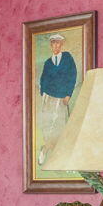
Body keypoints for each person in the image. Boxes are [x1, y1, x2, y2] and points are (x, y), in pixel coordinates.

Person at [37, 33, 79, 162]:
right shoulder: (48, 62)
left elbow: (72, 75)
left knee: (60, 123)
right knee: (48, 122)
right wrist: (43, 93)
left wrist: (68, 94)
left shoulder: (67, 58)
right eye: (53, 43)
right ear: (51, 45)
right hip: (49, 97)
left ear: (61, 45)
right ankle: (45, 149)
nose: (56, 45)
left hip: (62, 97)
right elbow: (43, 79)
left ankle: (57, 152)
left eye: (58, 43)